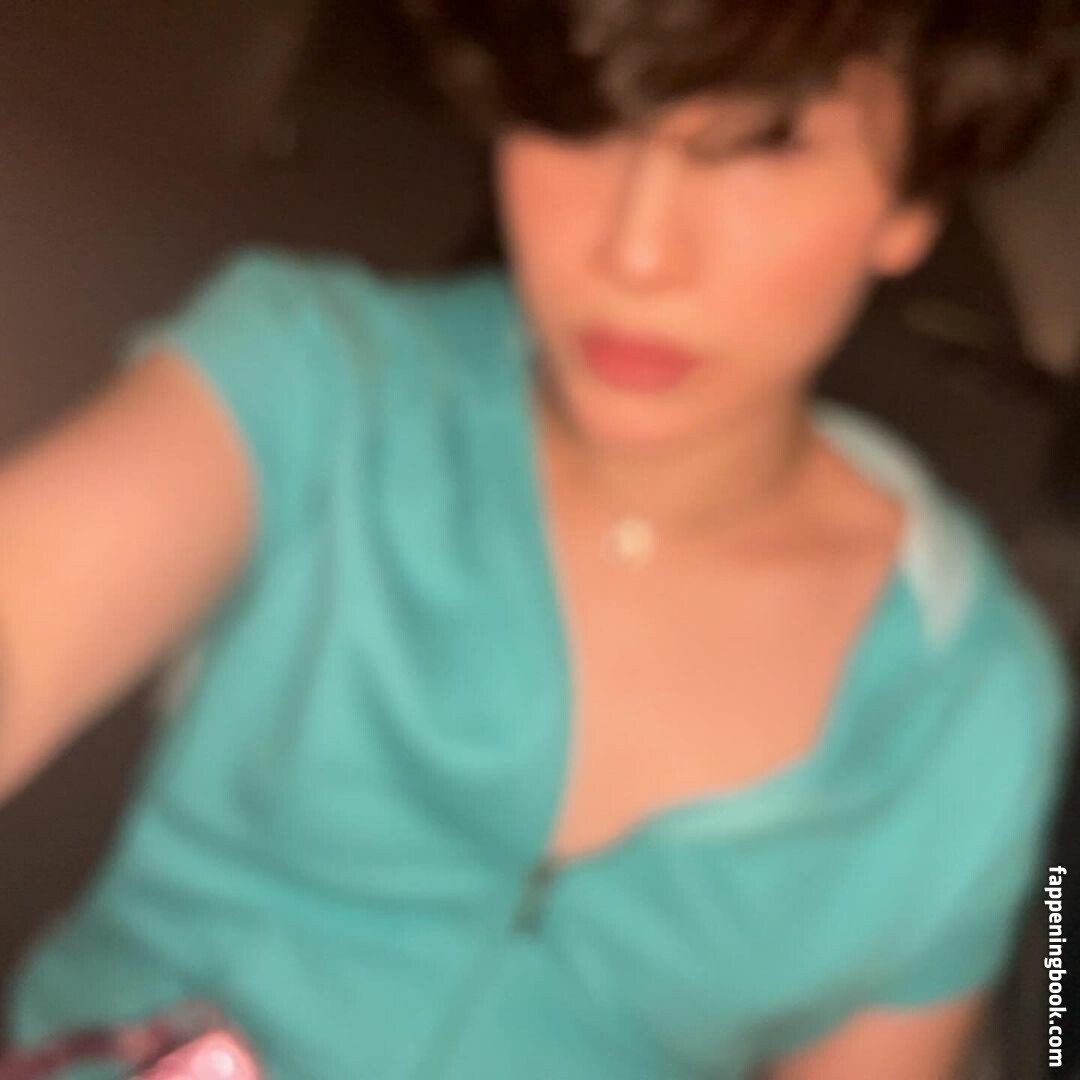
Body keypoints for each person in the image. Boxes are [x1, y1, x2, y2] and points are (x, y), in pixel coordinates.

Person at [0, 1, 1076, 1077]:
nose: (637, 252)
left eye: (767, 140)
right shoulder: (315, 383)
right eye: (579, 118)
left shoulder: (969, 709)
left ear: (915, 194)